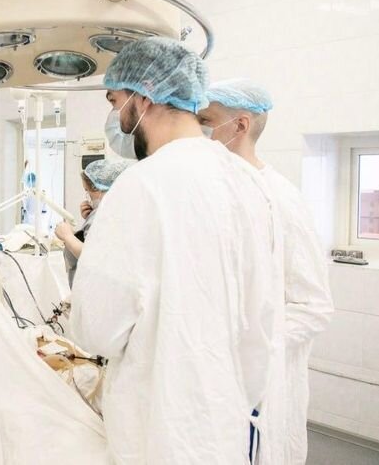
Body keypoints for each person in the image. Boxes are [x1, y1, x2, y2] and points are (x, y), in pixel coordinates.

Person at [69, 37, 284, 464]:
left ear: (143, 97)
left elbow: (97, 329)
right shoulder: (247, 182)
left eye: (115, 101)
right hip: (226, 416)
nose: (116, 115)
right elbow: (262, 316)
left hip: (158, 423)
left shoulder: (140, 185)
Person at [200, 78, 334, 465]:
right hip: (212, 376)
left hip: (258, 385)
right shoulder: (212, 189)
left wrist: (246, 344)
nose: (198, 131)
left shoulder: (282, 199)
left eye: (206, 121)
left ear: (240, 126)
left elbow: (313, 306)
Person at [54, 159, 131, 287]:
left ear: (98, 188)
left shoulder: (106, 214)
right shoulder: (115, 211)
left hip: (99, 289)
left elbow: (92, 256)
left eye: (87, 190)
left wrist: (67, 236)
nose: (87, 196)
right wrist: (88, 220)